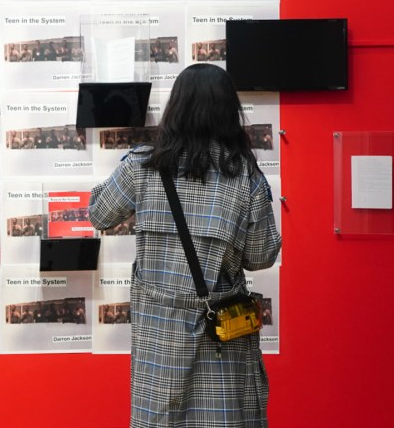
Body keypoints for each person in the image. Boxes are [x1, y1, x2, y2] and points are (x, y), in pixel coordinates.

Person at [89, 63, 280, 428]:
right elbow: (261, 256)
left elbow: (99, 214)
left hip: (158, 335)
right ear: (229, 111)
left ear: (175, 107)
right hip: (219, 330)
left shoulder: (142, 165)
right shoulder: (245, 176)